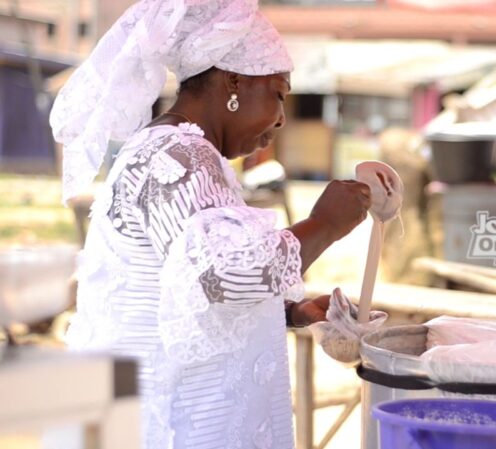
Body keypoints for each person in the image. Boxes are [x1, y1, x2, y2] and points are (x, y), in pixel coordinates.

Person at [50, 1, 370, 448]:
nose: (281, 117)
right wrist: (324, 223)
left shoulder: (183, 152)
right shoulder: (177, 156)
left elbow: (185, 288)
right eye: (279, 94)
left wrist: (287, 310)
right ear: (234, 81)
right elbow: (219, 275)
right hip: (168, 426)